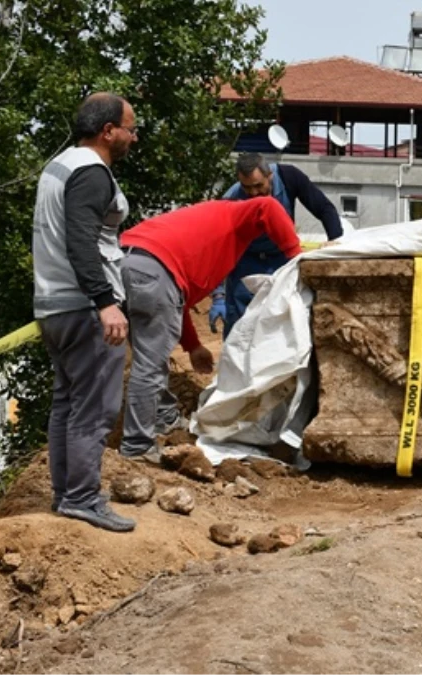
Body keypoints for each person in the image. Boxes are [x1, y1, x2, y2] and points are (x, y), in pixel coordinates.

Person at [118, 198, 303, 462]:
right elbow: (267, 206)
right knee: (149, 365)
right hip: (153, 273)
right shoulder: (232, 214)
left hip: (123, 263)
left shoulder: (203, 227)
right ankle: (136, 446)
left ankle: (164, 418)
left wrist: (193, 346)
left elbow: (174, 298)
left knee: (149, 357)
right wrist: (296, 257)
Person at [31, 93, 138, 532]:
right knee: (94, 407)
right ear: (107, 131)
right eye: (130, 128)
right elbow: (81, 242)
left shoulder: (59, 166)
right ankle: (81, 498)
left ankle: (67, 494)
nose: (134, 136)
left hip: (54, 305)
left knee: (68, 403)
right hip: (84, 308)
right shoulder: (92, 174)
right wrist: (106, 303)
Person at [220, 153, 342, 336]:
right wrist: (218, 296)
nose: (253, 193)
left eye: (258, 186)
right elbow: (219, 248)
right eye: (247, 188)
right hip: (246, 261)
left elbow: (324, 208)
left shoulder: (289, 178)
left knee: (283, 319)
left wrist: (336, 240)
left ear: (270, 176)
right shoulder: (231, 199)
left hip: (281, 259)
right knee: (240, 324)